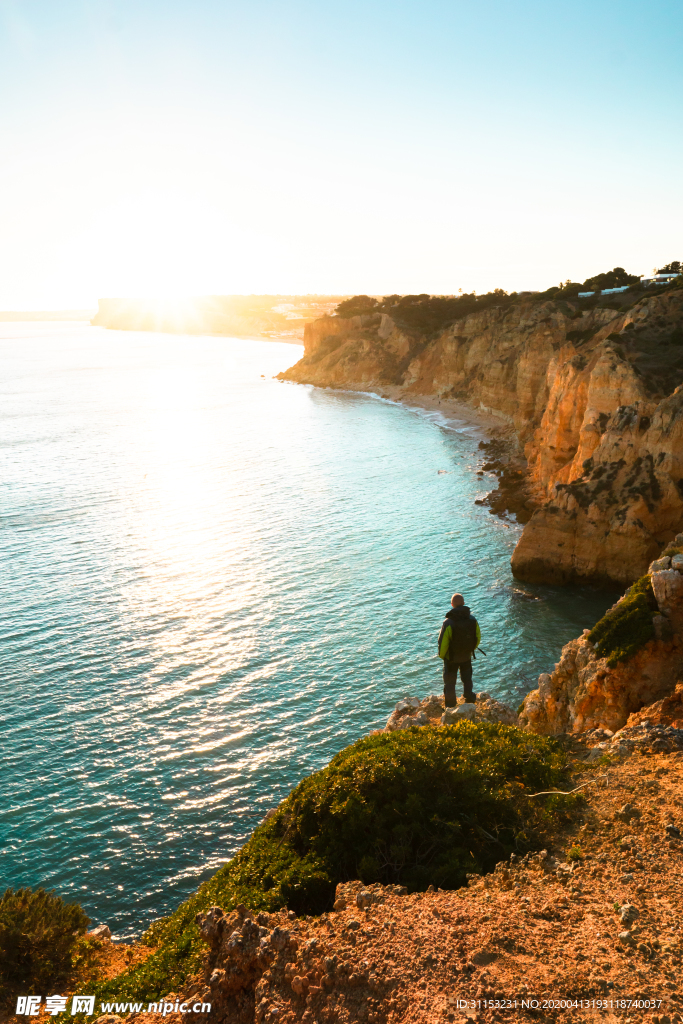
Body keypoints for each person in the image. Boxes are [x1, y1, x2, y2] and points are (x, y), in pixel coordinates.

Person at [437, 593, 481, 707]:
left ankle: (451, 706)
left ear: (452, 605)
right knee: (467, 679)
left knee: (450, 683)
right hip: (466, 656)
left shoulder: (448, 622)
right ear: (464, 603)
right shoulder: (472, 619)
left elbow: (442, 643)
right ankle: (469, 699)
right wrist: (470, 649)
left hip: (451, 658)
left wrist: (443, 656)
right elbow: (478, 637)